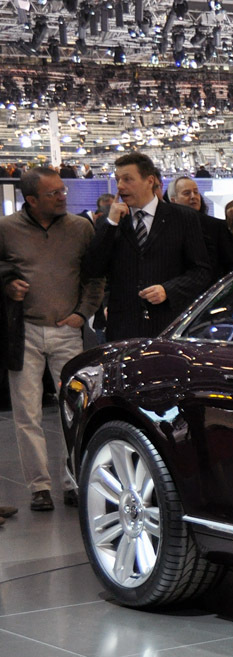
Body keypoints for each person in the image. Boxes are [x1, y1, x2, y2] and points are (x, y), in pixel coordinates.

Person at [0, 166, 104, 511]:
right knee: (26, 414)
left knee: (75, 409)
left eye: (63, 190)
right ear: (31, 200)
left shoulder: (80, 228)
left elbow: (95, 276)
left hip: (67, 330)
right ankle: (39, 487)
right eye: (54, 193)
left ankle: (73, 480)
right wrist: (7, 285)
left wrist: (82, 313)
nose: (63, 196)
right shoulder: (6, 229)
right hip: (24, 331)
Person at [87, 152, 212, 342]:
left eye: (127, 179)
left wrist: (168, 290)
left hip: (169, 326)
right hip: (123, 329)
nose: (120, 186)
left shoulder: (183, 218)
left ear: (150, 181)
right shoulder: (111, 221)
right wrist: (110, 224)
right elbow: (93, 268)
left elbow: (201, 272)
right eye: (118, 179)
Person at [167, 175, 233, 279]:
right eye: (187, 193)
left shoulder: (217, 226)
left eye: (196, 192)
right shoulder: (167, 229)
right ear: (173, 200)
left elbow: (229, 265)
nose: (193, 196)